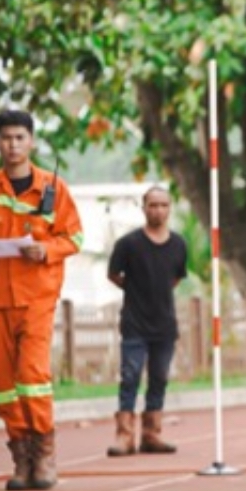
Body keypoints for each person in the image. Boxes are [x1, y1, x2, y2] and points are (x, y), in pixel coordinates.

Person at [0, 109, 84, 491]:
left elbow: (75, 238)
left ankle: (44, 455)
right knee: (5, 384)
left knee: (32, 377)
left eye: (19, 138)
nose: (13, 145)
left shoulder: (53, 188)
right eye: (5, 138)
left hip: (37, 298)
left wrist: (45, 251)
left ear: (31, 141)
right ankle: (21, 457)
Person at [106, 186, 188, 457]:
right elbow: (114, 274)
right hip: (134, 322)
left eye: (163, 205)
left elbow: (175, 278)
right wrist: (135, 289)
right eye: (153, 205)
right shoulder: (128, 244)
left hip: (164, 324)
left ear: (170, 208)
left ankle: (152, 433)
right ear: (143, 208)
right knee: (130, 376)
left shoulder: (178, 245)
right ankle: (124, 435)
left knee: (159, 377)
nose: (158, 210)